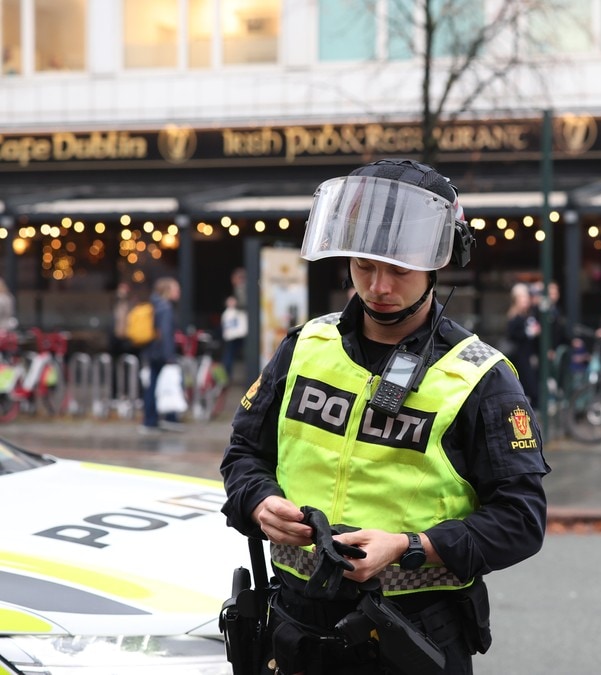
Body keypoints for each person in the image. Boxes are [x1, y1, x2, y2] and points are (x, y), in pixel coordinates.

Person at [219, 158, 549, 675]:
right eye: (365, 266)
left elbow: (521, 521)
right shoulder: (305, 345)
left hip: (409, 637)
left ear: (439, 266)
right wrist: (258, 501)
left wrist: (409, 547)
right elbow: (243, 455)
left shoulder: (480, 377)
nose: (378, 287)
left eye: (399, 270)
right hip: (292, 630)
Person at [140, 276, 182, 433]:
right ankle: (156, 420)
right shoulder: (165, 308)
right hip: (160, 354)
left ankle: (153, 420)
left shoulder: (156, 305)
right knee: (160, 386)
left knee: (154, 385)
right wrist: (169, 356)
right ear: (167, 290)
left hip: (153, 352)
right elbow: (165, 334)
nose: (179, 292)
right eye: (176, 288)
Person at [506, 282, 542, 407]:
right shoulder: (514, 317)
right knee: (527, 386)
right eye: (523, 298)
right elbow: (512, 335)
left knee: (533, 387)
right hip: (519, 357)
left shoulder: (528, 315)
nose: (526, 301)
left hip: (528, 355)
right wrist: (529, 332)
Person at [219, 294, 248, 384]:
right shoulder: (227, 314)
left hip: (237, 337)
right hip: (231, 338)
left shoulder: (237, 313)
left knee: (232, 356)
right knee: (229, 357)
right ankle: (226, 376)